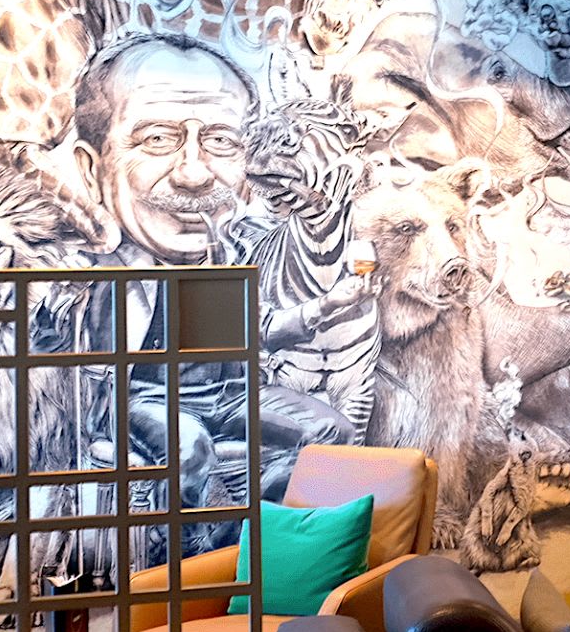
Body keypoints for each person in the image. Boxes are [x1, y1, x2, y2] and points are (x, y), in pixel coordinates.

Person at [69, 33, 355, 557]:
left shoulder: (230, 262)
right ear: (93, 168)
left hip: (229, 396)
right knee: (189, 449)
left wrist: (325, 308)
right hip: (148, 401)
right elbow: (83, 379)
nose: (195, 174)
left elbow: (262, 330)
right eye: (157, 138)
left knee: (330, 430)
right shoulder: (100, 276)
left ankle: (263, 540)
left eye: (222, 141)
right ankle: (185, 555)